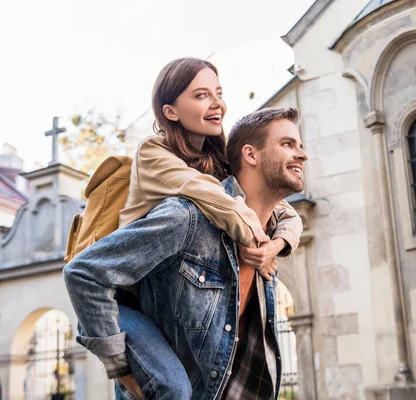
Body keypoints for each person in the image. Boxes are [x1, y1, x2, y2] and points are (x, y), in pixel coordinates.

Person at [64, 58, 303, 399]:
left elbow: (288, 213)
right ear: (171, 111)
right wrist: (121, 370)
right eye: (202, 95)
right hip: (118, 298)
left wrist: (275, 246)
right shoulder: (154, 153)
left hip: (160, 296)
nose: (217, 103)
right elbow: (206, 194)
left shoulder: (217, 159)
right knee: (172, 388)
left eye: (218, 93)